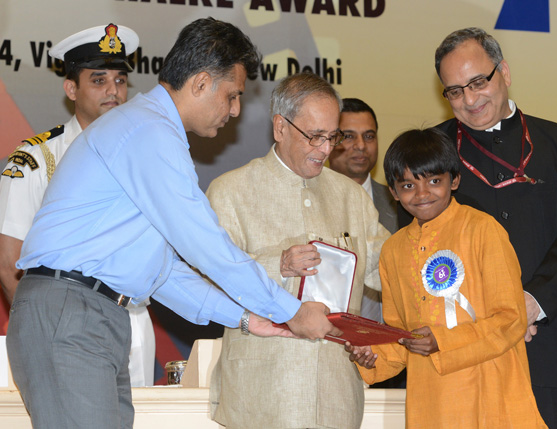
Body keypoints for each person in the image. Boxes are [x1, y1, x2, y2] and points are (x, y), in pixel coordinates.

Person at [6, 18, 338, 429]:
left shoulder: (150, 131)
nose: (235, 110)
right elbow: (205, 245)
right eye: (232, 95)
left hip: (90, 315)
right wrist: (290, 311)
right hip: (73, 314)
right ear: (200, 83)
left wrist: (247, 319)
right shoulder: (149, 132)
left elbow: (164, 273)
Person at [433, 27, 557, 428]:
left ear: (504, 72)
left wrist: (531, 303)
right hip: (462, 351)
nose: (469, 100)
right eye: (454, 91)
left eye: (477, 82)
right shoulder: (430, 152)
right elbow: (419, 248)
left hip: (546, 347)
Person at [207, 72, 390, 429]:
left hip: (336, 398)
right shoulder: (230, 191)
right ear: (280, 127)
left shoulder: (351, 197)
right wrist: (277, 265)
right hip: (262, 396)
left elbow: (390, 269)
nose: (325, 149)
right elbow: (209, 284)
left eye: (331, 136)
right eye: (315, 136)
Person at [347, 127, 547, 428]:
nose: (422, 194)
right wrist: (372, 355)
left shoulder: (483, 230)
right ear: (393, 192)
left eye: (434, 181)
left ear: (454, 180)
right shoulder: (393, 250)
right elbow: (401, 335)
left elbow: (511, 319)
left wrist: (442, 340)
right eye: (408, 185)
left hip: (491, 395)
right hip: (431, 403)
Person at [0, 23, 156, 388]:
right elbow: (10, 265)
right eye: (99, 81)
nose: (114, 92)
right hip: (65, 322)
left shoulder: (144, 157)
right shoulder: (36, 159)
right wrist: (47, 331)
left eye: (120, 81)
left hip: (134, 317)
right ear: (71, 88)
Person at [329, 97, 400, 323]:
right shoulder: (307, 201)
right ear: (329, 140)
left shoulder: (403, 204)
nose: (361, 145)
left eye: (369, 136)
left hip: (388, 346)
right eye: (348, 136)